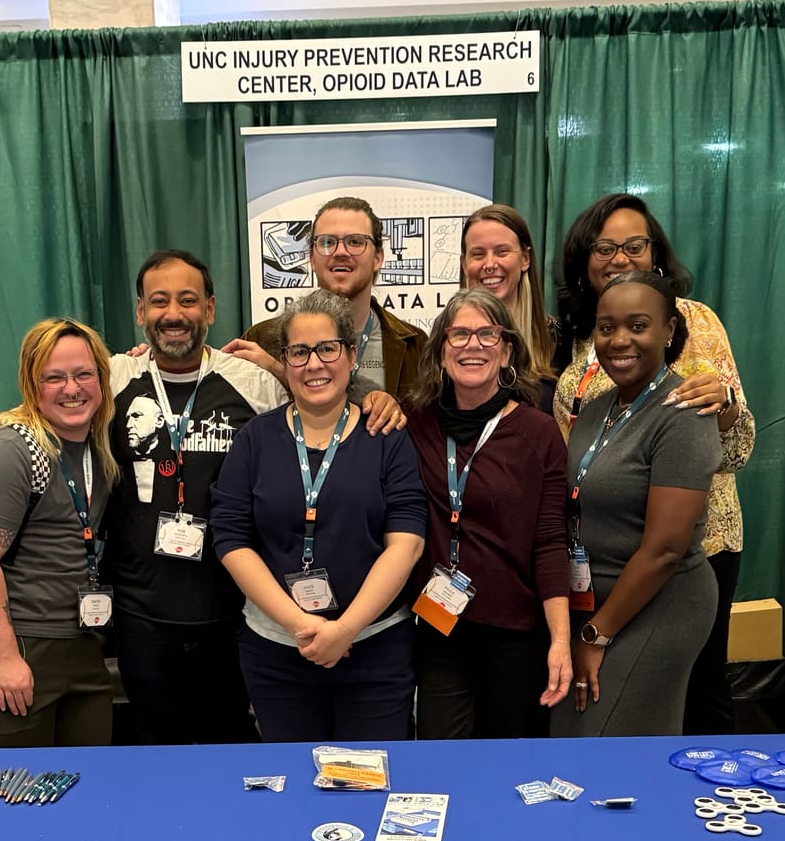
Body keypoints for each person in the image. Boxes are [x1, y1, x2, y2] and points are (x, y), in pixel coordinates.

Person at [0, 250, 406, 746]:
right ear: (139, 311)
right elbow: (52, 404)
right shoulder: (112, 376)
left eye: (188, 300)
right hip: (140, 612)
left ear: (210, 308)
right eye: (159, 301)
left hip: (232, 610)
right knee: (157, 749)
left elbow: (319, 394)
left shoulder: (253, 381)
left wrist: (373, 397)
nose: (173, 313)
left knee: (233, 746)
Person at [551, 193, 756, 733]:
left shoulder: (694, 341)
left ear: (668, 330)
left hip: (681, 563)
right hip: (599, 577)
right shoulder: (582, 367)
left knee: (691, 707)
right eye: (604, 248)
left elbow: (734, 452)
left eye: (633, 245)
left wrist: (725, 406)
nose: (618, 257)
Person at [211, 290, 425, 743]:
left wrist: (345, 629)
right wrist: (302, 625)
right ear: (284, 361)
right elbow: (230, 538)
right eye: (299, 352)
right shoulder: (254, 439)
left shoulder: (386, 437)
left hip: (375, 650)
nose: (314, 364)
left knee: (369, 775)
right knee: (293, 776)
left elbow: (407, 541)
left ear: (351, 355)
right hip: (276, 652)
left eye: (327, 348)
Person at [0, 318, 118, 748]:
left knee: (89, 773)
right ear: (32, 386)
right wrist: (5, 657)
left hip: (76, 639)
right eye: (54, 378)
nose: (71, 388)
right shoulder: (7, 450)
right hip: (4, 641)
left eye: (83, 374)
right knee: (21, 780)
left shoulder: (97, 444)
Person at [552, 272, 720, 738]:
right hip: (594, 599)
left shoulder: (685, 413)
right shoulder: (595, 410)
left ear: (669, 330)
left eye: (638, 325)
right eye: (606, 328)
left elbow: (666, 549)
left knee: (606, 740)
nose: (619, 340)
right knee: (568, 738)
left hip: (658, 602)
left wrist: (596, 635)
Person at [402, 288, 570, 738]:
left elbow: (550, 542)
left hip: (515, 635)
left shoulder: (539, 433)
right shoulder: (413, 423)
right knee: (441, 755)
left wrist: (560, 640)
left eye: (487, 334)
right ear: (441, 352)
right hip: (438, 629)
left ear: (507, 350)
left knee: (510, 761)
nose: (472, 345)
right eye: (458, 334)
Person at [232, 196, 428, 406]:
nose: (341, 252)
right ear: (311, 258)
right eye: (327, 242)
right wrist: (280, 374)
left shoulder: (416, 346)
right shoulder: (263, 340)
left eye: (355, 242)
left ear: (378, 258)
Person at [459, 204, 555, 374]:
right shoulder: (445, 344)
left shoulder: (559, 341)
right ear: (464, 264)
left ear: (525, 259)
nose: (489, 265)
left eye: (502, 251)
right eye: (478, 254)